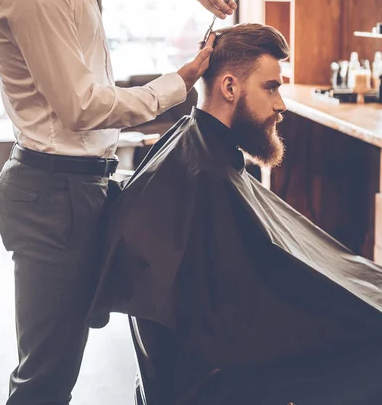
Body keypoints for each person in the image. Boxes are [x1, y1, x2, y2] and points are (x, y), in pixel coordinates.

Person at [0, 0, 237, 405]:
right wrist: (183, 81)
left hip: (82, 190)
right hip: (54, 198)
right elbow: (82, 107)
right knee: (45, 379)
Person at [90, 23, 382, 405]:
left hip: (191, 369)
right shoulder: (206, 175)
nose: (281, 105)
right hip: (215, 383)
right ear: (229, 87)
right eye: (271, 87)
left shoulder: (192, 144)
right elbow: (247, 317)